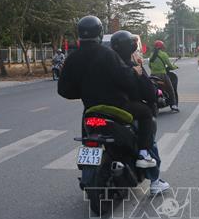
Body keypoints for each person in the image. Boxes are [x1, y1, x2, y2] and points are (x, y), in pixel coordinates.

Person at [58, 16, 157, 169]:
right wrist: (134, 73)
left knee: (87, 124)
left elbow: (64, 90)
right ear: (100, 32)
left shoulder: (73, 58)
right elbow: (126, 80)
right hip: (117, 109)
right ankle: (144, 153)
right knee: (145, 113)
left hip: (91, 110)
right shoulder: (107, 55)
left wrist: (85, 91)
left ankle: (86, 164)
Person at [112, 31, 170, 194]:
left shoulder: (108, 64)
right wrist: (141, 69)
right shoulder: (133, 68)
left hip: (106, 110)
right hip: (130, 112)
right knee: (149, 143)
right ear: (131, 48)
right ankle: (155, 181)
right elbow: (149, 94)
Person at [149, 40, 179, 112]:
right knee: (171, 89)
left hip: (152, 75)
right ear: (162, 47)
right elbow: (170, 66)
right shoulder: (164, 54)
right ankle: (174, 105)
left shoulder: (151, 55)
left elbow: (150, 65)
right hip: (162, 75)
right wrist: (175, 67)